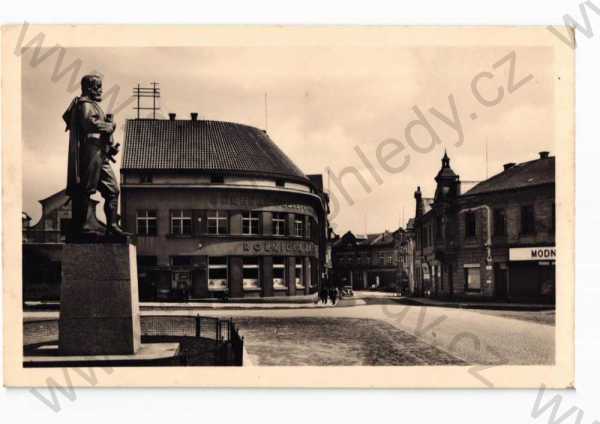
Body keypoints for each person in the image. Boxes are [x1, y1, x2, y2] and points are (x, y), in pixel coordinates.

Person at [63, 74, 129, 240]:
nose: (101, 90)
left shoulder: (94, 106)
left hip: (100, 155)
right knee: (84, 190)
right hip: (89, 155)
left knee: (113, 190)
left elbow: (98, 134)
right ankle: (79, 229)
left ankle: (112, 226)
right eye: (97, 87)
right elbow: (90, 124)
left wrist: (109, 147)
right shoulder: (85, 105)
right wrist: (110, 126)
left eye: (100, 87)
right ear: (88, 88)